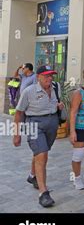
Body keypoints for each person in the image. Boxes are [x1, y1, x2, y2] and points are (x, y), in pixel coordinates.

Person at [13, 65, 64, 208]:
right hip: (34, 124)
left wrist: (59, 106)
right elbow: (18, 113)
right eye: (46, 76)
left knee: (41, 152)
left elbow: (56, 103)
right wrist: (16, 134)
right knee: (42, 155)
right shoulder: (28, 91)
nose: (50, 78)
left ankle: (32, 175)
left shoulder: (56, 87)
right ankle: (43, 193)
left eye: (51, 75)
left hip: (52, 123)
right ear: (38, 77)